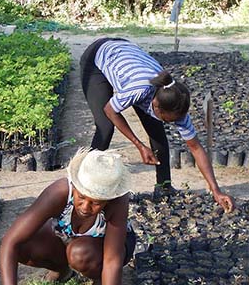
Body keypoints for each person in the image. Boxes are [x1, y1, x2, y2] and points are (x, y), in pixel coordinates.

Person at [80, 37, 234, 213]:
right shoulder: (139, 90)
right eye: (168, 119)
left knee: (157, 132)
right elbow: (110, 110)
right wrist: (139, 145)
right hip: (98, 58)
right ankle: (83, 186)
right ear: (156, 106)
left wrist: (216, 190)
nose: (172, 123)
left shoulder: (174, 99)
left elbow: (196, 148)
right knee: (105, 128)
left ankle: (164, 186)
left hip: (125, 53)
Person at [0, 148, 136, 285]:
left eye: (96, 203)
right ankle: (62, 270)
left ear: (108, 199)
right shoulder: (60, 191)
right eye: (82, 197)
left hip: (102, 248)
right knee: (24, 243)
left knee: (80, 253)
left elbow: (112, 260)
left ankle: (99, 280)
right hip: (67, 237)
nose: (86, 207)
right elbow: (10, 241)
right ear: (75, 187)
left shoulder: (117, 203)